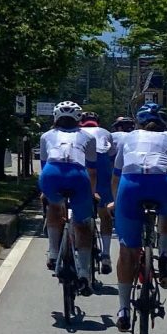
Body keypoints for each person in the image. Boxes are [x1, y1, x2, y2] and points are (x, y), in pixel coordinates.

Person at [109, 103, 167, 332]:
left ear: (139, 123)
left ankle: (123, 310)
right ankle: (164, 255)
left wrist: (116, 201)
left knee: (127, 251)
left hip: (130, 187)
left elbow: (116, 176)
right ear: (165, 124)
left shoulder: (128, 138)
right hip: (163, 185)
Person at [38, 101, 98, 297]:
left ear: (55, 117)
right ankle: (83, 272)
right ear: (78, 118)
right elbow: (91, 169)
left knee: (54, 207)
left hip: (51, 174)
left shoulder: (46, 136)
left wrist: (45, 191)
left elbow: (44, 164)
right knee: (82, 224)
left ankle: (53, 252)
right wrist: (92, 192)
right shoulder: (88, 137)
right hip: (77, 175)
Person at [80, 111, 115, 274]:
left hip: (82, 160)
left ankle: (76, 249)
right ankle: (106, 254)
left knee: (78, 207)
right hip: (102, 162)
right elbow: (113, 155)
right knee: (105, 212)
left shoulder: (77, 132)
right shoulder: (106, 133)